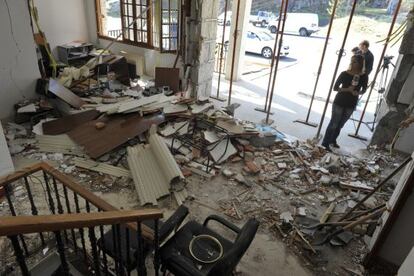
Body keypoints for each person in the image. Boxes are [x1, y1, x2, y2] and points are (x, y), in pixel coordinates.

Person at [322, 55, 368, 151]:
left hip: (351, 103)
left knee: (340, 124)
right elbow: (335, 88)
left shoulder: (363, 76)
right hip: (339, 101)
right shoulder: (344, 74)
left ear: (360, 64)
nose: (352, 63)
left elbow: (364, 89)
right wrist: (347, 89)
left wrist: (358, 92)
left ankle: (332, 140)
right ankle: (325, 143)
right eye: (352, 61)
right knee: (334, 123)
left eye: (355, 62)